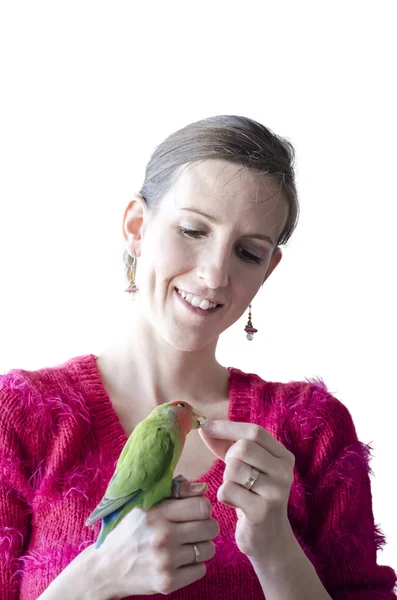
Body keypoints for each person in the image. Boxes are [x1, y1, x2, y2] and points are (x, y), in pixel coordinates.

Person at [0, 115, 395, 600]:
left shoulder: (314, 430)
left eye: (247, 253)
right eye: (192, 229)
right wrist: (95, 579)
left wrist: (276, 552)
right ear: (136, 227)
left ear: (268, 271)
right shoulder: (20, 417)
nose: (213, 275)